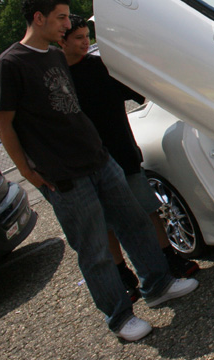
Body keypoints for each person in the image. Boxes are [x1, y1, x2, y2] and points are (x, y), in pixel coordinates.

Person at [0, 0, 199, 342]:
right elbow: (3, 122)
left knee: (135, 223)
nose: (66, 24)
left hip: (99, 159)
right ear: (39, 18)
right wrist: (27, 172)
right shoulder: (10, 64)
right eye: (60, 17)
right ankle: (120, 318)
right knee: (94, 249)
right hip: (64, 175)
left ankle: (158, 285)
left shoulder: (54, 56)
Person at [59, 15, 198, 300]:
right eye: (79, 38)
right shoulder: (57, 80)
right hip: (88, 163)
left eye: (87, 36)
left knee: (147, 209)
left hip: (122, 152)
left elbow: (138, 92)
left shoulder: (101, 67)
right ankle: (123, 276)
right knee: (106, 224)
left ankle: (168, 257)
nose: (86, 42)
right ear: (62, 41)